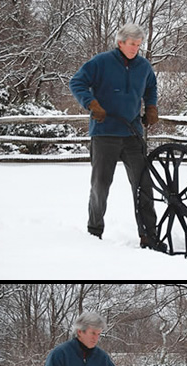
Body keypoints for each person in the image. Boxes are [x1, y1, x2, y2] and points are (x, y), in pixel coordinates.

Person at [69, 22, 163, 248]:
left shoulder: (143, 66)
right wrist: (91, 103)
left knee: (143, 186)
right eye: (132, 44)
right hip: (105, 132)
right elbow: (77, 82)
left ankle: (149, 236)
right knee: (100, 185)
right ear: (120, 42)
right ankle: (94, 233)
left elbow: (151, 87)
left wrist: (151, 107)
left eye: (138, 45)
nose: (135, 49)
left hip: (132, 133)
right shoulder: (101, 62)